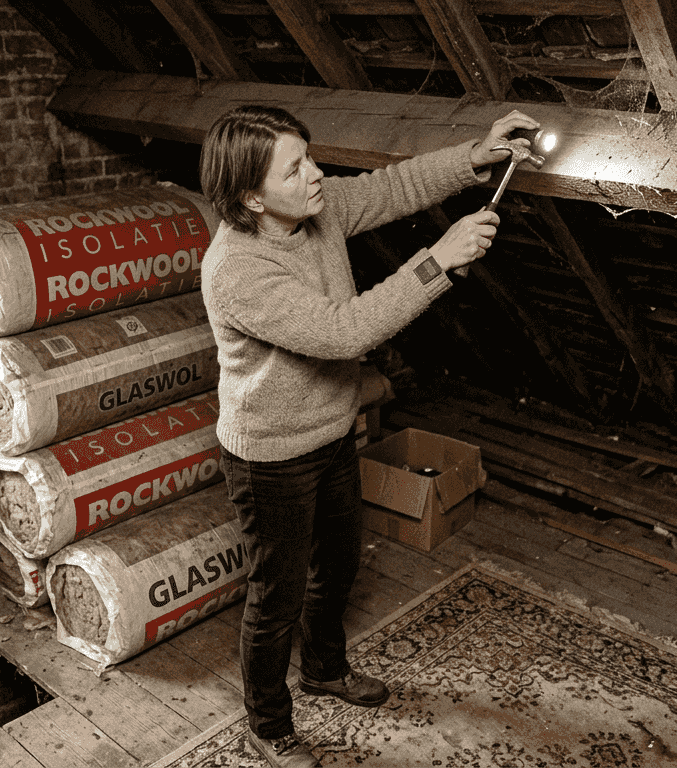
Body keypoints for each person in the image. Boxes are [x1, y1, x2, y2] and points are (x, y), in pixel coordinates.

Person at [198, 104, 539, 768]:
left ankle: (324, 670)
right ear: (250, 197)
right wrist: (437, 260)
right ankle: (268, 726)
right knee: (276, 597)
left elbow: (390, 188)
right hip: (271, 458)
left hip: (330, 432)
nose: (315, 174)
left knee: (339, 564)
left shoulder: (312, 210)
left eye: (309, 156)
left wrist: (475, 155)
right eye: (293, 169)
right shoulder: (236, 269)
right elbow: (344, 331)